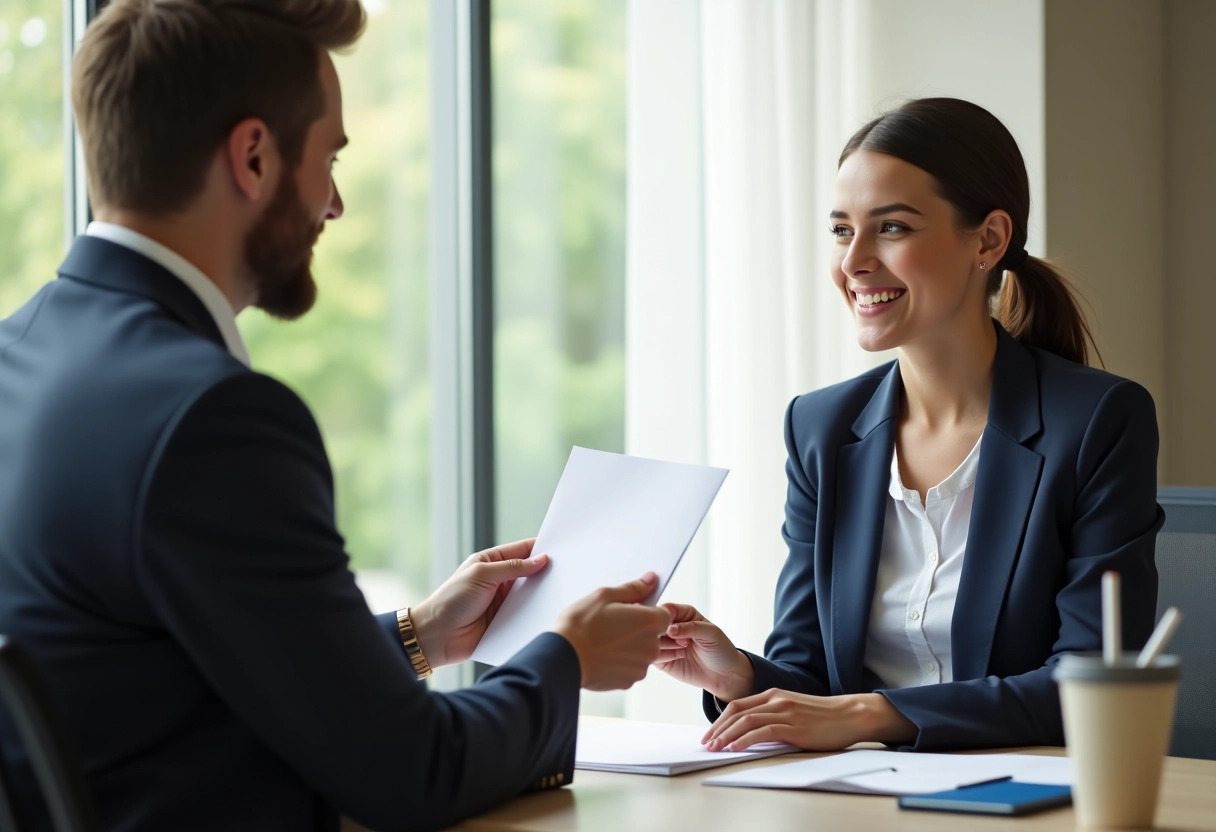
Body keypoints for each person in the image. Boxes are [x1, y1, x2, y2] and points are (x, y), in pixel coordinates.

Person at [0, 1, 671, 830]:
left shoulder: (18, 356)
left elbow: (149, 676)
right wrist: (564, 660)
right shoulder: (214, 417)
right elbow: (411, 774)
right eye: (330, 158)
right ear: (252, 156)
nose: (335, 203)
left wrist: (422, 634)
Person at [655, 98, 1163, 754]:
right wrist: (742, 675)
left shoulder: (1096, 421)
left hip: (1021, 797)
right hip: (857, 798)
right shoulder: (821, 427)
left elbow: (1091, 682)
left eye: (891, 228)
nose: (854, 261)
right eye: (842, 230)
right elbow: (810, 673)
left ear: (989, 239)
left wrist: (872, 714)